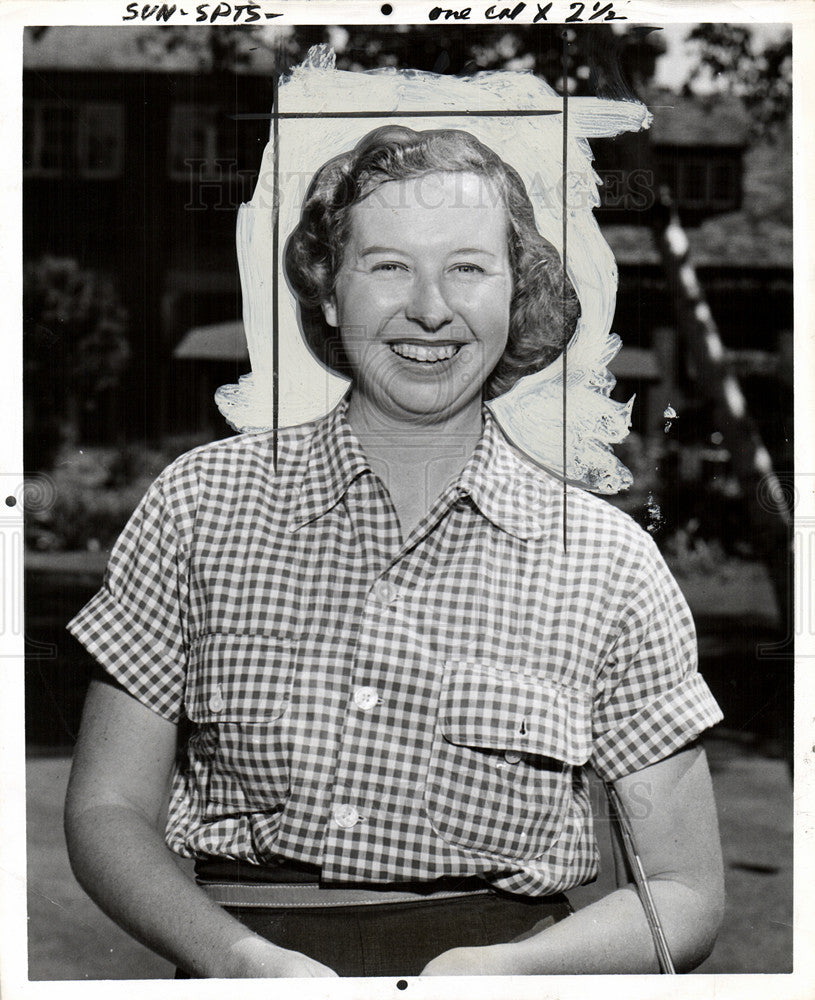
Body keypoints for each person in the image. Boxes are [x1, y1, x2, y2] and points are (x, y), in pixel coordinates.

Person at [64, 125, 724, 979]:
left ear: (513, 294)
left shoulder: (609, 562)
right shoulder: (199, 504)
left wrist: (509, 974)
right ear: (329, 293)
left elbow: (684, 891)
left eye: (467, 267)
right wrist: (238, 963)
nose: (429, 308)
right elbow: (106, 809)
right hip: (237, 963)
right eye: (386, 266)